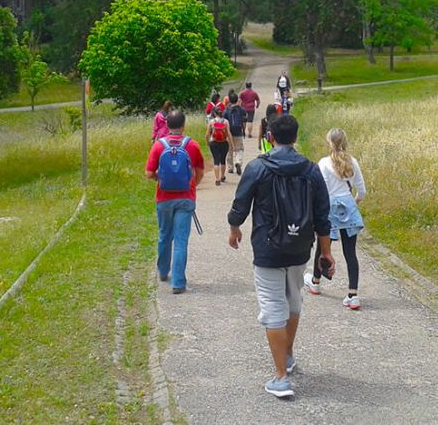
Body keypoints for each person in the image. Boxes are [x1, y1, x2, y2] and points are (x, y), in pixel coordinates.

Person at [228, 114, 334, 399]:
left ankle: (280, 378)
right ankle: (287, 355)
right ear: (295, 138)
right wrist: (326, 252)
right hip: (300, 248)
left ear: (270, 137)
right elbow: (323, 215)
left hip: (268, 248)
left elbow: (241, 203)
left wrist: (234, 228)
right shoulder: (311, 170)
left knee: (273, 306)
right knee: (293, 300)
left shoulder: (258, 167)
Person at [305, 128, 367, 310]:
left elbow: (320, 189)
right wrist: (353, 202)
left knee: (323, 247)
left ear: (329, 143)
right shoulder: (352, 162)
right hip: (348, 206)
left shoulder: (323, 163)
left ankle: (316, 281)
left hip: (329, 207)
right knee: (350, 252)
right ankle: (353, 294)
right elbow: (362, 190)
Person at [145, 110, 205, 294]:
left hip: (164, 198)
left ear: (167, 125)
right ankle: (178, 282)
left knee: (164, 235)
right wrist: (191, 184)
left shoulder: (158, 146)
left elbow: (148, 173)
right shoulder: (192, 145)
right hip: (186, 198)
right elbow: (200, 171)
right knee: (181, 240)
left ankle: (163, 271)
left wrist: (161, 179)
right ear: (184, 125)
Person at [205, 105, 233, 186]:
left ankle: (217, 179)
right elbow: (228, 133)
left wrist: (207, 142)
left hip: (214, 142)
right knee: (223, 160)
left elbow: (207, 134)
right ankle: (222, 176)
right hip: (224, 142)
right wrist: (232, 143)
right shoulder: (226, 121)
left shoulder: (211, 122)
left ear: (214, 113)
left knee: (216, 161)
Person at [225, 92, 246, 175]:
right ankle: (238, 162)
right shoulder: (241, 110)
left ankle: (230, 167)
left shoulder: (227, 110)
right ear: (237, 100)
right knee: (239, 149)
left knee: (229, 150)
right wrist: (243, 129)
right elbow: (244, 121)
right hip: (238, 132)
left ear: (229, 100)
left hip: (229, 132)